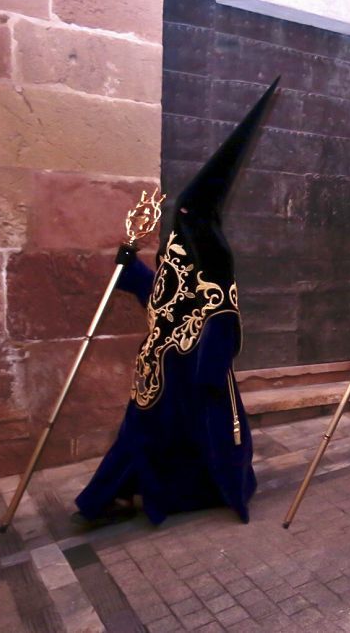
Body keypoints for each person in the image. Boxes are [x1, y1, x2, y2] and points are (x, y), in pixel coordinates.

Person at [73, 80, 278, 527]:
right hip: (158, 365)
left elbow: (222, 312)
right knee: (143, 432)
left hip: (191, 369)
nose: (179, 219)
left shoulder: (214, 255)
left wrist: (209, 367)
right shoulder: (177, 248)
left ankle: (150, 494)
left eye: (186, 214)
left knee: (185, 436)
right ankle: (108, 496)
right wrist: (133, 270)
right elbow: (165, 296)